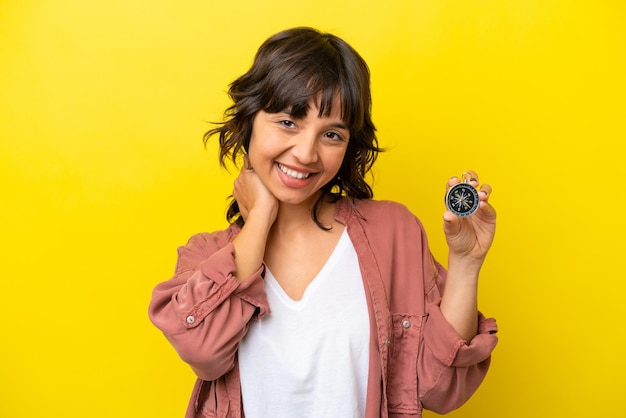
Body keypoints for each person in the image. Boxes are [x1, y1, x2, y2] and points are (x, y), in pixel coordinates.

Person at [149, 27, 498, 418]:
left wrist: (466, 263)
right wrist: (260, 218)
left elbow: (440, 389)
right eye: (287, 123)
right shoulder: (207, 256)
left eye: (331, 134)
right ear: (249, 122)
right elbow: (203, 351)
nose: (305, 153)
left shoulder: (392, 233)